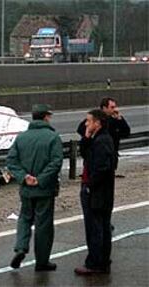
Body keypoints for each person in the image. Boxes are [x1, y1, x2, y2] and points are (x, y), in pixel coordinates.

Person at [7, 104, 63, 272]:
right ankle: (42, 261)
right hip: (44, 188)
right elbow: (56, 162)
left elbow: (11, 161)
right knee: (43, 225)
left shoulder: (22, 138)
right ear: (46, 117)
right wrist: (40, 179)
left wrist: (24, 177)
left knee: (24, 218)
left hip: (26, 188)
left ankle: (21, 247)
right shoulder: (53, 137)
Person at [75, 109, 115, 275]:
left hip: (97, 192)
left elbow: (101, 168)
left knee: (95, 228)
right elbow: (85, 153)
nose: (86, 124)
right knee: (102, 226)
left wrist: (90, 185)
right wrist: (86, 136)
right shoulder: (98, 139)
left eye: (89, 121)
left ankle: (95, 262)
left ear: (98, 123)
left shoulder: (102, 141)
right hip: (102, 191)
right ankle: (102, 261)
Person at [77, 97, 130, 170]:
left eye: (115, 107)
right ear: (104, 108)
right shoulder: (95, 119)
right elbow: (81, 129)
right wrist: (89, 136)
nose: (114, 110)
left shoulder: (116, 120)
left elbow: (126, 133)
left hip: (111, 155)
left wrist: (120, 119)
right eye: (112, 107)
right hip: (94, 155)